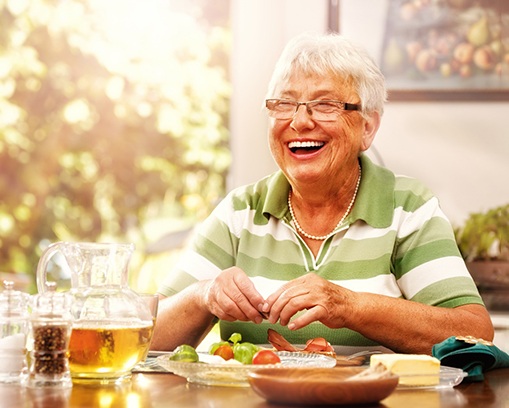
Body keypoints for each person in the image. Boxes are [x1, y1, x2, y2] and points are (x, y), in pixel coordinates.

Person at [151, 32, 493, 354]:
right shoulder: (240, 212)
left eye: (326, 104)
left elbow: (473, 332)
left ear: (367, 128)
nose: (300, 122)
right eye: (285, 104)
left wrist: (351, 307)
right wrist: (202, 295)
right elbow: (145, 334)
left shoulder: (407, 209)